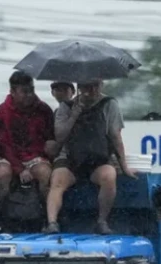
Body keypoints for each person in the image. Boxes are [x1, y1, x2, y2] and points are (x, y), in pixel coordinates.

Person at [45, 79, 136, 235]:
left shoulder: (109, 104)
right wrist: (74, 114)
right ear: (80, 88)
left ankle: (102, 221)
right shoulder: (66, 107)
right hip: (70, 159)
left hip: (97, 159)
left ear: (101, 86)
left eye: (96, 86)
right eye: (87, 86)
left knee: (109, 176)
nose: (92, 90)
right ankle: (52, 222)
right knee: (57, 180)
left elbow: (115, 136)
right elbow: (59, 136)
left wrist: (124, 166)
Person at [0, 71, 55, 203]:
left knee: (45, 173)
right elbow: (2, 145)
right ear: (13, 92)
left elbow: (49, 138)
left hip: (35, 156)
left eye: (32, 90)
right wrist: (19, 168)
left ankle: (47, 215)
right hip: (8, 156)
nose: (29, 95)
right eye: (25, 91)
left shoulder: (44, 110)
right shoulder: (0, 112)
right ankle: (0, 214)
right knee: (2, 174)